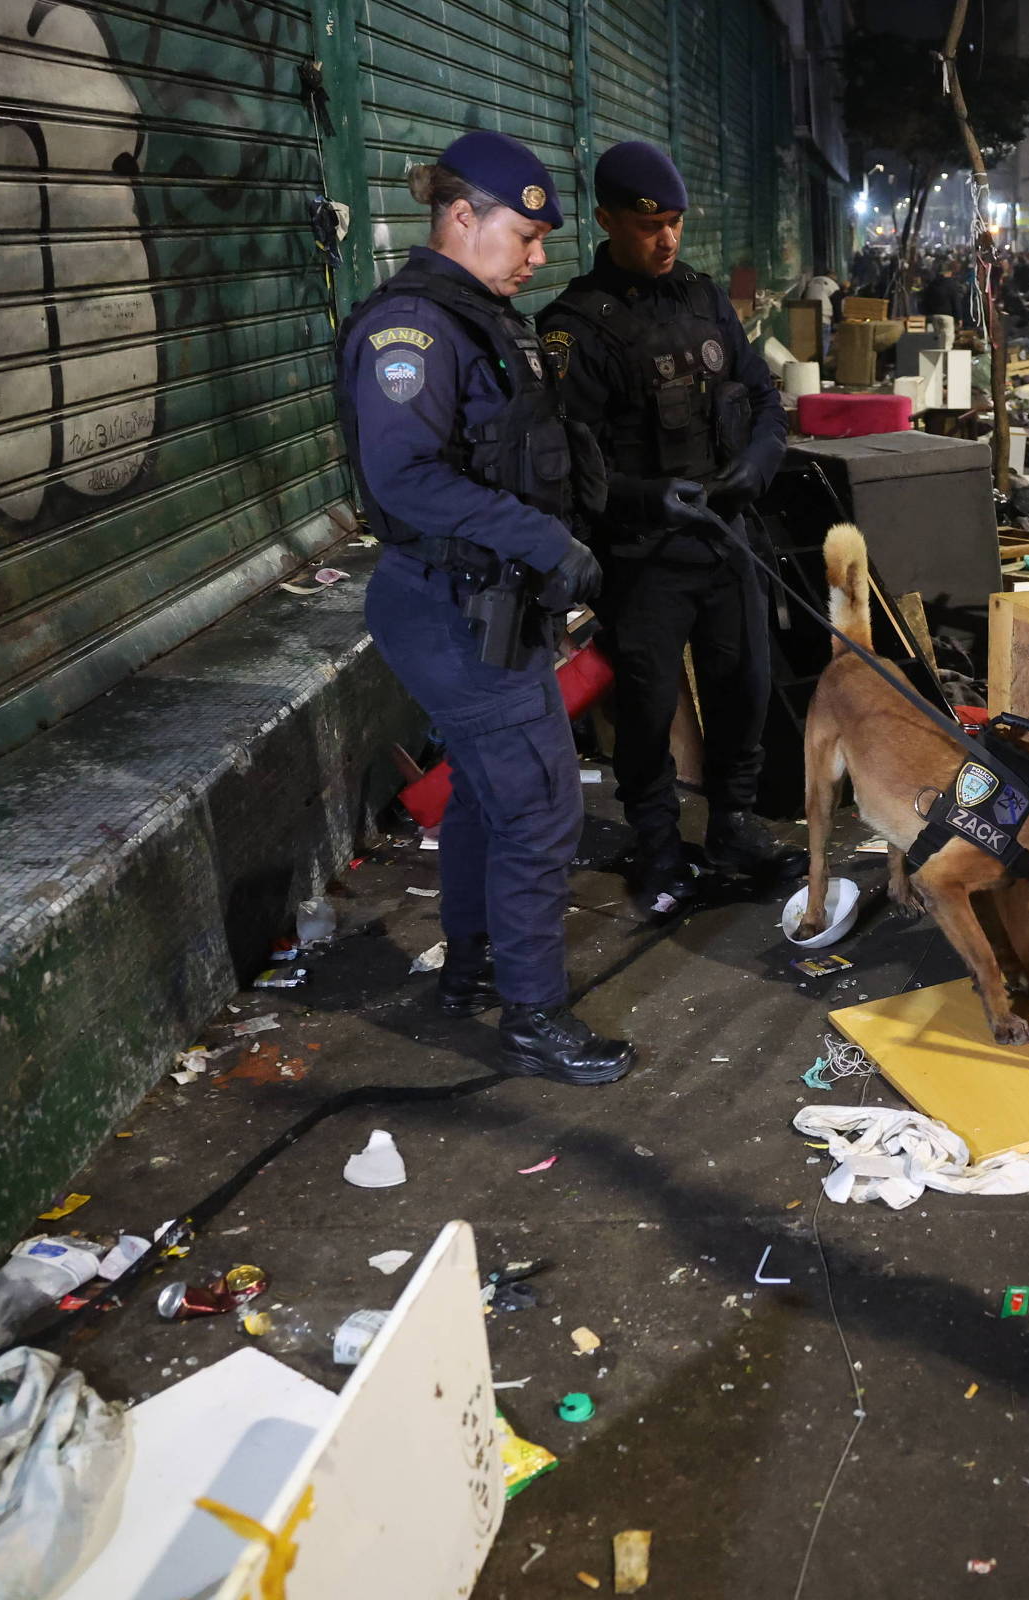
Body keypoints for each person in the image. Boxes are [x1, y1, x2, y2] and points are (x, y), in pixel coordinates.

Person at [336, 131, 633, 1086]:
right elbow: (407, 478)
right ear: (462, 218)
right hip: (451, 609)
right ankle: (534, 1018)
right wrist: (546, 544)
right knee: (541, 811)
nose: (540, 256)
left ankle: (469, 966)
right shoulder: (410, 333)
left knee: (479, 792)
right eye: (527, 235)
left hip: (482, 603)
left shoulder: (477, 320)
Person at [537, 140, 794, 916]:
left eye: (676, 223)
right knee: (648, 709)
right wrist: (652, 499)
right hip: (644, 555)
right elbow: (574, 473)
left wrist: (758, 459)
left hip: (726, 541)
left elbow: (764, 396)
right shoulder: (574, 327)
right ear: (607, 219)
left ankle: (732, 829)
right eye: (650, 226)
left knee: (743, 687)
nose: (667, 240)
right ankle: (655, 841)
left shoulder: (705, 298)